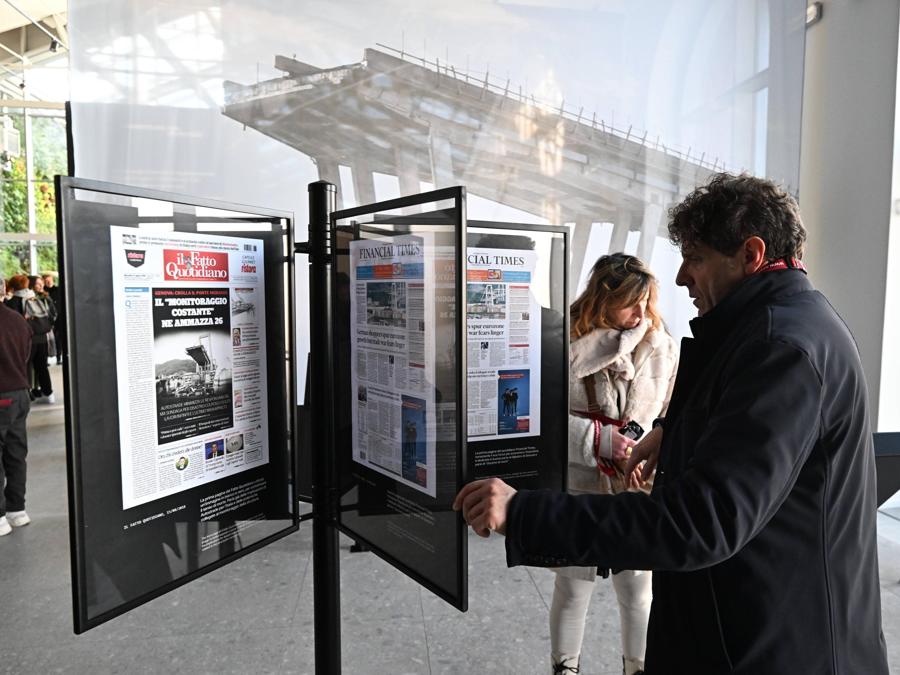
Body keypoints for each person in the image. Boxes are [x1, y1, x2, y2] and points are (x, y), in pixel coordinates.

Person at [454, 173, 889, 674]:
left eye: (696, 257)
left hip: (769, 648)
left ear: (750, 254)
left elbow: (701, 523)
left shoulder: (780, 349)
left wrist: (523, 512)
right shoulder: (782, 327)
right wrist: (674, 433)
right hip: (756, 627)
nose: (681, 277)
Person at [550, 254, 677, 675]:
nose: (640, 312)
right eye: (629, 301)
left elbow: (672, 408)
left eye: (645, 301)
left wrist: (649, 445)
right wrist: (599, 441)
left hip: (636, 481)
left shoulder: (660, 344)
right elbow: (540, 417)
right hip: (579, 478)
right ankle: (564, 668)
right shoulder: (564, 343)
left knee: (638, 587)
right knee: (572, 585)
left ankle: (637, 668)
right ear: (603, 299)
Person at [0, 277, 34, 536]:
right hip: (20, 393)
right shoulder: (18, 321)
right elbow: (26, 356)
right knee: (16, 451)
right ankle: (16, 510)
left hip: (1, 395)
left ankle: (0, 518)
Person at [24, 275, 57, 403]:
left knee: (28, 366)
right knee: (41, 366)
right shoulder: (45, 298)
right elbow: (53, 315)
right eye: (38, 283)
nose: (41, 285)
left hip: (32, 338)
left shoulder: (26, 299)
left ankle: (31, 391)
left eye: (41, 283)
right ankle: (48, 392)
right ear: (32, 285)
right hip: (43, 336)